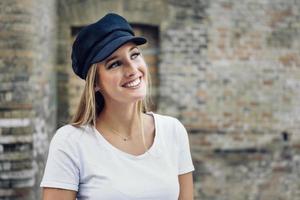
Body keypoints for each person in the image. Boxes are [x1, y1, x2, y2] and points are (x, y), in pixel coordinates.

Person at [40, 13, 194, 200]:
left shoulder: (173, 131)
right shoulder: (70, 142)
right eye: (115, 64)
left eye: (135, 54)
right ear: (95, 83)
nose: (132, 69)